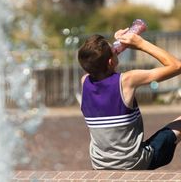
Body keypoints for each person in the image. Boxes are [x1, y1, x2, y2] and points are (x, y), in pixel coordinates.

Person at [77, 29, 181, 170]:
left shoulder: (85, 82)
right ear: (110, 62)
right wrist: (140, 43)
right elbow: (176, 66)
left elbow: (95, 65)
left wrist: (114, 51)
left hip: (100, 165)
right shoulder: (126, 81)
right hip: (134, 163)